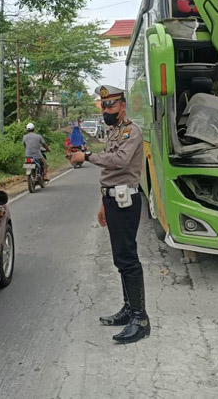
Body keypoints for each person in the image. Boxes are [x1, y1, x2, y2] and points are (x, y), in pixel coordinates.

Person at [69, 85, 149, 344]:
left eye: (111, 105)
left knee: (128, 258)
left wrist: (88, 155)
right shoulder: (115, 131)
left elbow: (121, 162)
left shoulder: (131, 131)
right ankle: (129, 309)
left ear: (123, 106)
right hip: (114, 198)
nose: (106, 110)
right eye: (103, 106)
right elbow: (111, 173)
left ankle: (140, 318)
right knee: (120, 258)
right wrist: (104, 202)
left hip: (126, 200)